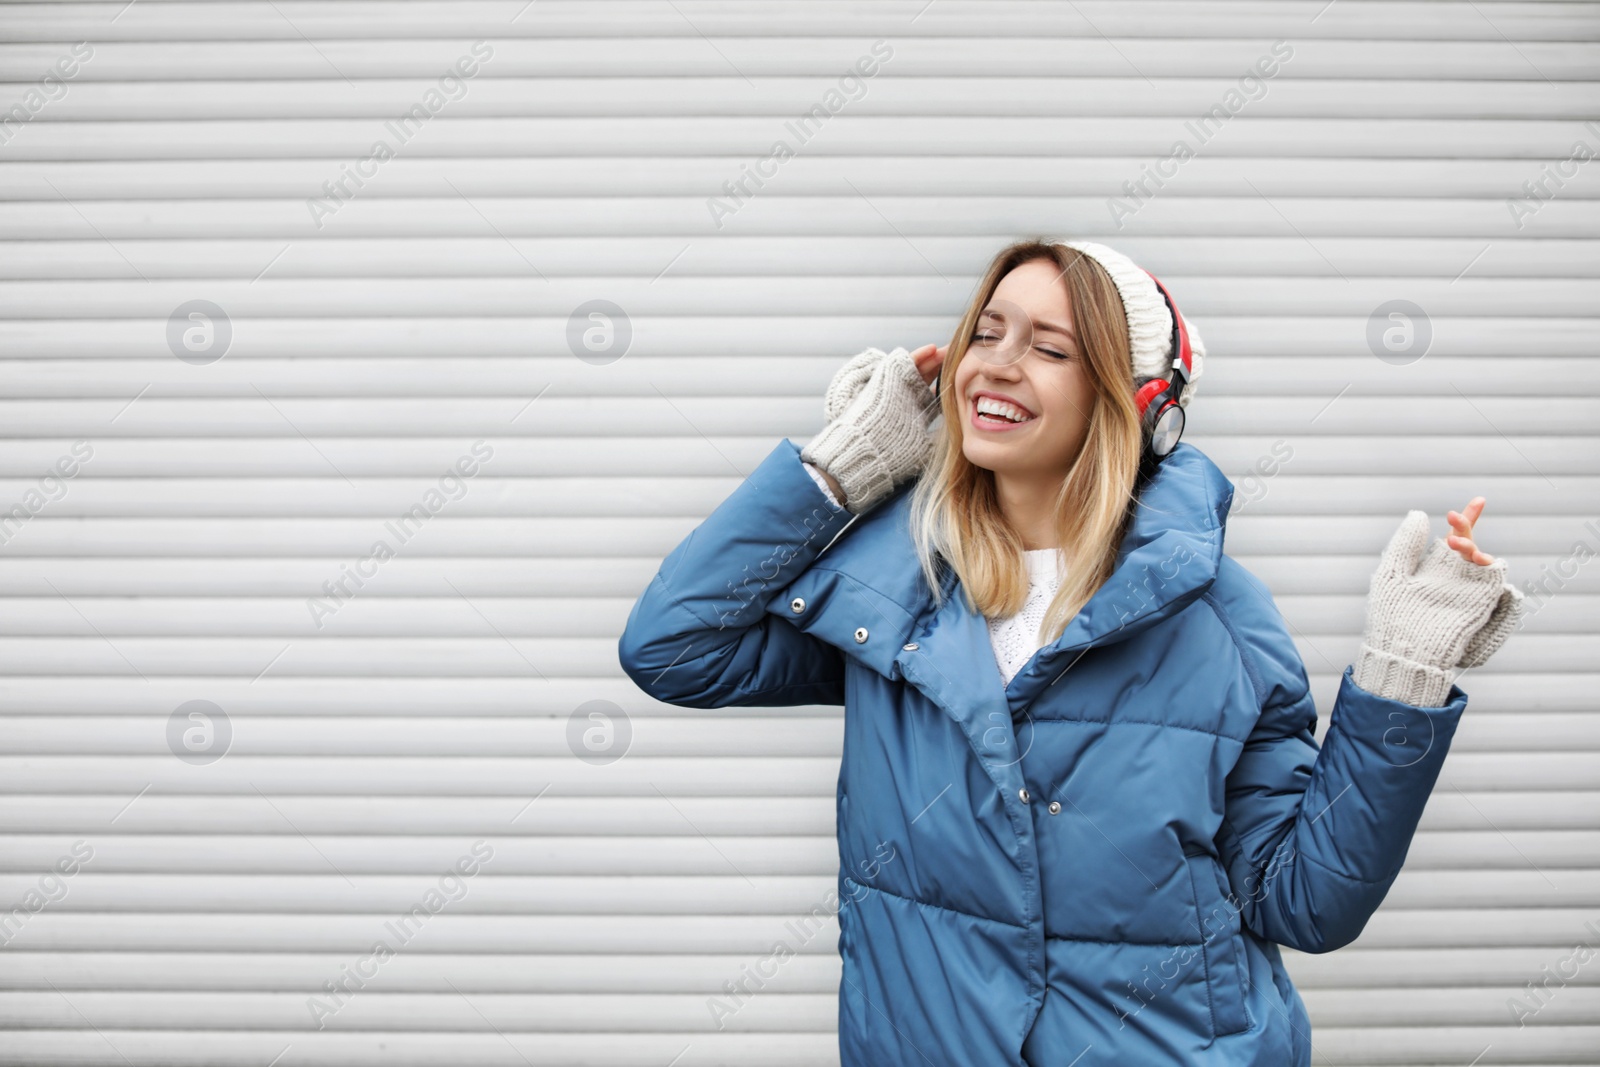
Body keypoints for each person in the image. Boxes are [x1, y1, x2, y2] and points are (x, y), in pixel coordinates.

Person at [617, 238, 1524, 1066]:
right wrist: (839, 467)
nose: (996, 366)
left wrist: (1403, 679)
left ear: (1136, 406)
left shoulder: (1220, 620)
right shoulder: (894, 592)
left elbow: (1306, 902)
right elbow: (674, 645)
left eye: (1051, 349)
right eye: (987, 331)